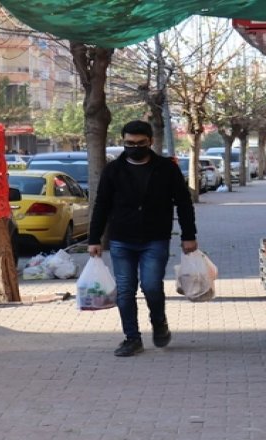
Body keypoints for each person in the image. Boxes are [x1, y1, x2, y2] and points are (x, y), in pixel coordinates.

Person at [88, 120, 198, 357]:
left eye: (140, 143)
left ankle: (159, 323)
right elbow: (101, 205)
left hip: (155, 238)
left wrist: (189, 235)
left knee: (151, 286)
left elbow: (183, 203)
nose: (134, 147)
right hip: (121, 239)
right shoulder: (113, 170)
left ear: (150, 142)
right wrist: (94, 238)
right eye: (129, 143)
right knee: (125, 290)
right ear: (123, 142)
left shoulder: (166, 168)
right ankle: (132, 338)